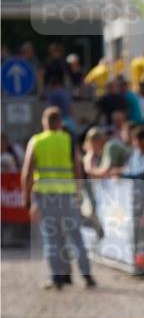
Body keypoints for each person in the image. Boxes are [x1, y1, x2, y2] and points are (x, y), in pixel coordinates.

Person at [21, 107, 96, 289]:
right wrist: (78, 193)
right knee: (75, 236)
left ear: (44, 122)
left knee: (52, 238)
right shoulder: (68, 140)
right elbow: (78, 168)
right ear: (59, 123)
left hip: (46, 196)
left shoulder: (37, 141)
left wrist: (27, 198)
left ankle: (57, 277)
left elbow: (27, 172)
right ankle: (86, 275)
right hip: (68, 194)